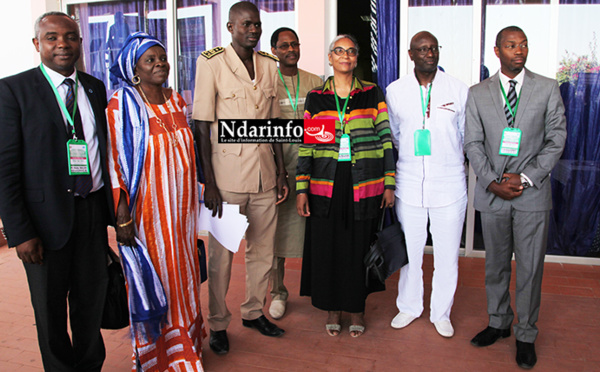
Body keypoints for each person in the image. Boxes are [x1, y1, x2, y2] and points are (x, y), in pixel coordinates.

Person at [0, 12, 113, 371]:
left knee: (90, 300)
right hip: (43, 224)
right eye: (52, 37)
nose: (62, 44)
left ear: (81, 42)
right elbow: (5, 169)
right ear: (37, 45)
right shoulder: (13, 91)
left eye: (70, 37)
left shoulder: (95, 87)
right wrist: (20, 232)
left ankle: (90, 365)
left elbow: (104, 152)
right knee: (49, 310)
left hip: (91, 212)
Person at [464, 26, 566, 369]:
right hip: (493, 195)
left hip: (531, 194)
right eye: (510, 45)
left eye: (523, 44)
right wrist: (492, 182)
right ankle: (499, 322)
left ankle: (525, 333)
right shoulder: (478, 93)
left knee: (530, 269)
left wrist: (525, 177)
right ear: (497, 51)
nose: (518, 50)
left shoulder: (547, 88)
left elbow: (556, 139)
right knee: (494, 266)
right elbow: (473, 143)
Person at [191, 1, 289, 355]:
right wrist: (209, 182)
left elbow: (275, 124)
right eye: (246, 24)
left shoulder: (268, 64)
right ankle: (218, 323)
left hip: (265, 177)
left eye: (257, 24)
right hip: (227, 179)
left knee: (262, 253)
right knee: (221, 258)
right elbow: (201, 124)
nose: (253, 30)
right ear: (231, 27)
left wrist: (281, 171)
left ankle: (252, 312)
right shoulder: (211, 62)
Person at [107, 32, 205, 370]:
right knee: (157, 280)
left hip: (183, 214)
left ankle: (188, 347)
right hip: (149, 215)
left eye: (162, 57)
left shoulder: (176, 99)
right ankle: (161, 356)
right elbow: (115, 164)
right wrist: (122, 218)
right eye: (150, 60)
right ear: (134, 69)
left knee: (186, 276)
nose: (159, 64)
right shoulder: (122, 104)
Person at [296, 34, 395, 338]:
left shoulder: (371, 93)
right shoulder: (318, 97)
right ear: (330, 58)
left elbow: (385, 138)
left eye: (351, 52)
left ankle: (356, 309)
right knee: (328, 245)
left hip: (364, 180)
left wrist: (389, 182)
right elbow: (308, 146)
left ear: (356, 59)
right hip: (326, 182)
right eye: (340, 51)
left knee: (358, 246)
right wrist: (302, 187)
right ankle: (331, 308)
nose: (346, 56)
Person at [385, 31, 468, 338]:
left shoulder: (458, 90)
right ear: (411, 55)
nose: (429, 53)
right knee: (411, 254)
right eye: (422, 49)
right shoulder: (395, 91)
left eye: (433, 48)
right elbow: (396, 135)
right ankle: (409, 307)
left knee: (447, 256)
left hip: (449, 186)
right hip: (409, 184)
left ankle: (441, 312)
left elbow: (464, 135)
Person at [268, 27, 323, 320]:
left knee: (315, 231)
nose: (291, 49)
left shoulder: (315, 82)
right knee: (274, 235)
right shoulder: (266, 84)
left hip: (311, 171)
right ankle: (277, 293)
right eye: (284, 45)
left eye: (295, 44)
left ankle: (320, 287)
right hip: (278, 171)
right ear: (274, 50)